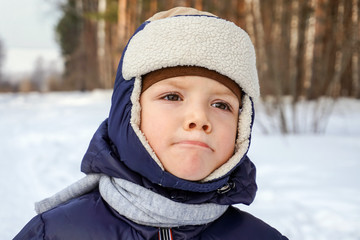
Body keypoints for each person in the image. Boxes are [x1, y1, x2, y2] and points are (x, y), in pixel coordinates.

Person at [14, 7, 288, 240]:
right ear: (129, 111)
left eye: (221, 105)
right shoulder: (55, 233)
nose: (199, 118)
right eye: (172, 96)